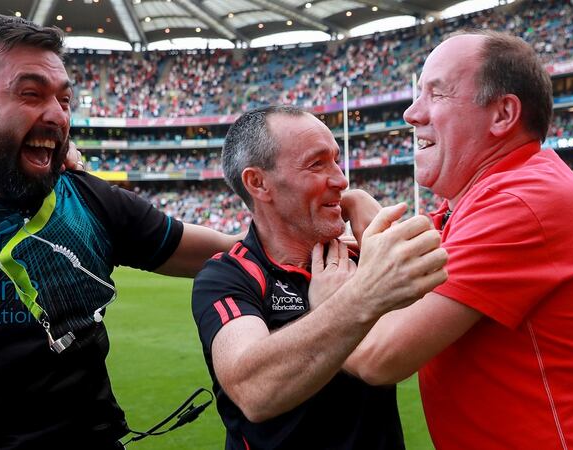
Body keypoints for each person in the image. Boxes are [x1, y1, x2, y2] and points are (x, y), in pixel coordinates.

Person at [0, 13, 242, 449]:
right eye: (31, 94)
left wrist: (335, 240)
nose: (57, 115)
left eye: (65, 99)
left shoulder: (90, 199)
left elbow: (230, 255)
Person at [341, 30, 573, 449]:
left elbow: (380, 356)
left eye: (437, 94)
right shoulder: (482, 198)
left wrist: (329, 299)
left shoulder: (522, 201)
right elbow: (405, 276)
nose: (411, 113)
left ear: (503, 114)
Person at [191, 105, 448, 449]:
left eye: (336, 160)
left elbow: (438, 302)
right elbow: (254, 390)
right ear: (258, 182)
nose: (341, 179)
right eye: (317, 164)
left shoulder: (361, 253)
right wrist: (356, 298)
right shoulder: (228, 275)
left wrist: (377, 228)